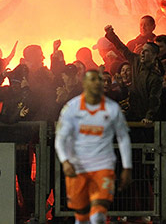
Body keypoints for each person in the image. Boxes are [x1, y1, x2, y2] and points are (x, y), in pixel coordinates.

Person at [55, 69, 132, 224]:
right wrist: (64, 161)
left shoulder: (112, 108)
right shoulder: (72, 107)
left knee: (98, 211)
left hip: (103, 165)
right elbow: (61, 137)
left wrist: (127, 167)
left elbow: (123, 138)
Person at [104, 25, 162, 124]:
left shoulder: (155, 77)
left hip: (144, 118)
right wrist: (111, 34)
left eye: (146, 51)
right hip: (132, 113)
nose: (142, 53)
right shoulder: (136, 61)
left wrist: (149, 117)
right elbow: (122, 49)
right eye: (142, 50)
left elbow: (154, 99)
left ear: (154, 55)